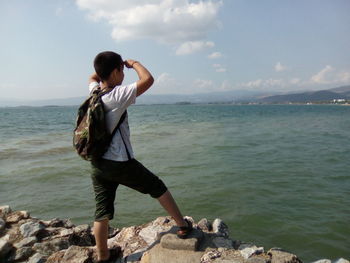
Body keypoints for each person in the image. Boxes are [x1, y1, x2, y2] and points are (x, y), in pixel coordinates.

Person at [88, 51, 192, 262]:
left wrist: (103, 69)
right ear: (116, 72)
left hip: (98, 163)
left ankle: (103, 257)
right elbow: (148, 80)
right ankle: (182, 224)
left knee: (102, 211)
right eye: (121, 70)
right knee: (157, 186)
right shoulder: (116, 97)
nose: (123, 74)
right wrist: (133, 63)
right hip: (120, 163)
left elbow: (92, 78)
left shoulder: (95, 92)